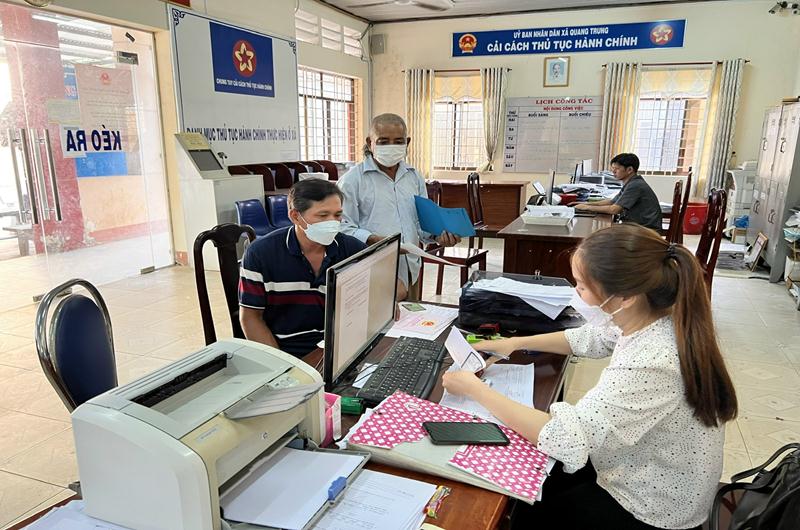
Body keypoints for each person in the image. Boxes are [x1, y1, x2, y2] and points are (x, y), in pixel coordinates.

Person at [442, 223, 738, 530]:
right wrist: (516, 342)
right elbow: (592, 338)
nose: (576, 294)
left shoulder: (653, 361)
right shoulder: (654, 314)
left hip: (651, 507)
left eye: (582, 286)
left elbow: (565, 437)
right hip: (632, 467)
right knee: (529, 476)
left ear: (625, 296)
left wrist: (475, 388)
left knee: (518, 509)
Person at [239, 179, 400, 357]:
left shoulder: (353, 250)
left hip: (342, 346)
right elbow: (251, 317)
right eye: (322, 216)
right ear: (295, 216)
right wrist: (279, 364)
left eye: (337, 215)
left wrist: (386, 299)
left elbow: (390, 290)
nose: (332, 223)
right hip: (288, 351)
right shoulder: (261, 254)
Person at [338, 113, 460, 300]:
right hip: (372, 268)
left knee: (411, 316)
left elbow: (421, 221)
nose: (391, 147)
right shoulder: (352, 180)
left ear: (407, 142)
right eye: (383, 141)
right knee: (380, 317)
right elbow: (342, 227)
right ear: (370, 142)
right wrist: (374, 240)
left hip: (410, 265)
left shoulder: (413, 176)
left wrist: (438, 236)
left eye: (398, 141)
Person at [574, 153, 663, 231]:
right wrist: (585, 204)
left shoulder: (635, 185)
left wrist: (587, 208)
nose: (613, 171)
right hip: (637, 226)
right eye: (613, 168)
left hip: (646, 230)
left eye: (617, 168)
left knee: (602, 234)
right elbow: (612, 202)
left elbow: (614, 209)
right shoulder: (631, 182)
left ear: (629, 170)